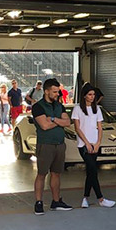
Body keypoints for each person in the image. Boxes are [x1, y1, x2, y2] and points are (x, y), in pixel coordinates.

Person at [31, 78, 73, 214]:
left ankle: (56, 201)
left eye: (58, 91)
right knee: (42, 174)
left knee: (56, 174)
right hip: (45, 145)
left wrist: (54, 119)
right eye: (54, 92)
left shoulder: (59, 105)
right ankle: (38, 202)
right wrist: (60, 121)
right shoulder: (38, 106)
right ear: (46, 91)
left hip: (59, 145)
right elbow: (44, 125)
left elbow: (68, 122)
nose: (57, 94)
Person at [71, 83, 116, 209]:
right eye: (90, 94)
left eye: (94, 95)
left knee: (91, 172)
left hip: (95, 143)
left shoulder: (97, 109)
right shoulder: (77, 109)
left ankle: (85, 198)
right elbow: (77, 128)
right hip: (83, 145)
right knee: (93, 170)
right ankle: (100, 199)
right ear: (84, 96)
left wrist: (98, 143)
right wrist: (87, 143)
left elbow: (100, 128)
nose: (92, 97)